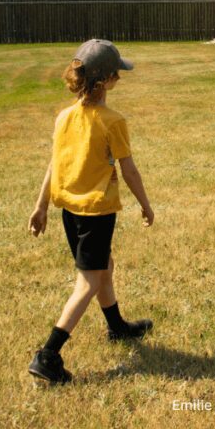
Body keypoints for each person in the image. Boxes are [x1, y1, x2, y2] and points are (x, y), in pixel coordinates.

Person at [27, 39, 156, 385]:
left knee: (103, 267)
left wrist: (41, 206)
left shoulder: (64, 117)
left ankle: (116, 327)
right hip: (96, 211)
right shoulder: (112, 121)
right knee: (90, 280)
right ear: (105, 81)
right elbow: (129, 170)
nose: (120, 79)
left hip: (70, 209)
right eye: (117, 74)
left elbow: (55, 164)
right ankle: (49, 355)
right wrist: (146, 204)